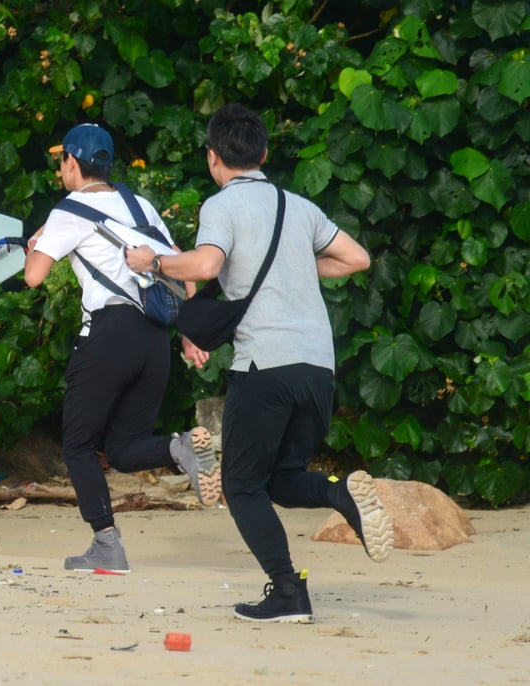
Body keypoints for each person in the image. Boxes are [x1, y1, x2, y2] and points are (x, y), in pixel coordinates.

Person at [126, 103, 393, 622]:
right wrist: (297, 265)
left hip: (265, 366)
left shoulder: (222, 206)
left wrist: (152, 261)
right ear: (265, 153)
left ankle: (289, 590)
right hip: (318, 369)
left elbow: (205, 265)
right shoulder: (299, 205)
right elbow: (357, 258)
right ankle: (341, 495)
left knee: (241, 484)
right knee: (281, 477)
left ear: (213, 158)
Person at [23, 123, 221, 574]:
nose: (59, 169)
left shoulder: (68, 211)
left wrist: (36, 246)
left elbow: (34, 275)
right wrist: (189, 334)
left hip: (109, 333)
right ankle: (180, 448)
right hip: (154, 338)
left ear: (72, 162)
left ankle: (107, 544)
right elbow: (181, 269)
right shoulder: (140, 204)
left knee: (76, 445)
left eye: (61, 161)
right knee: (126, 445)